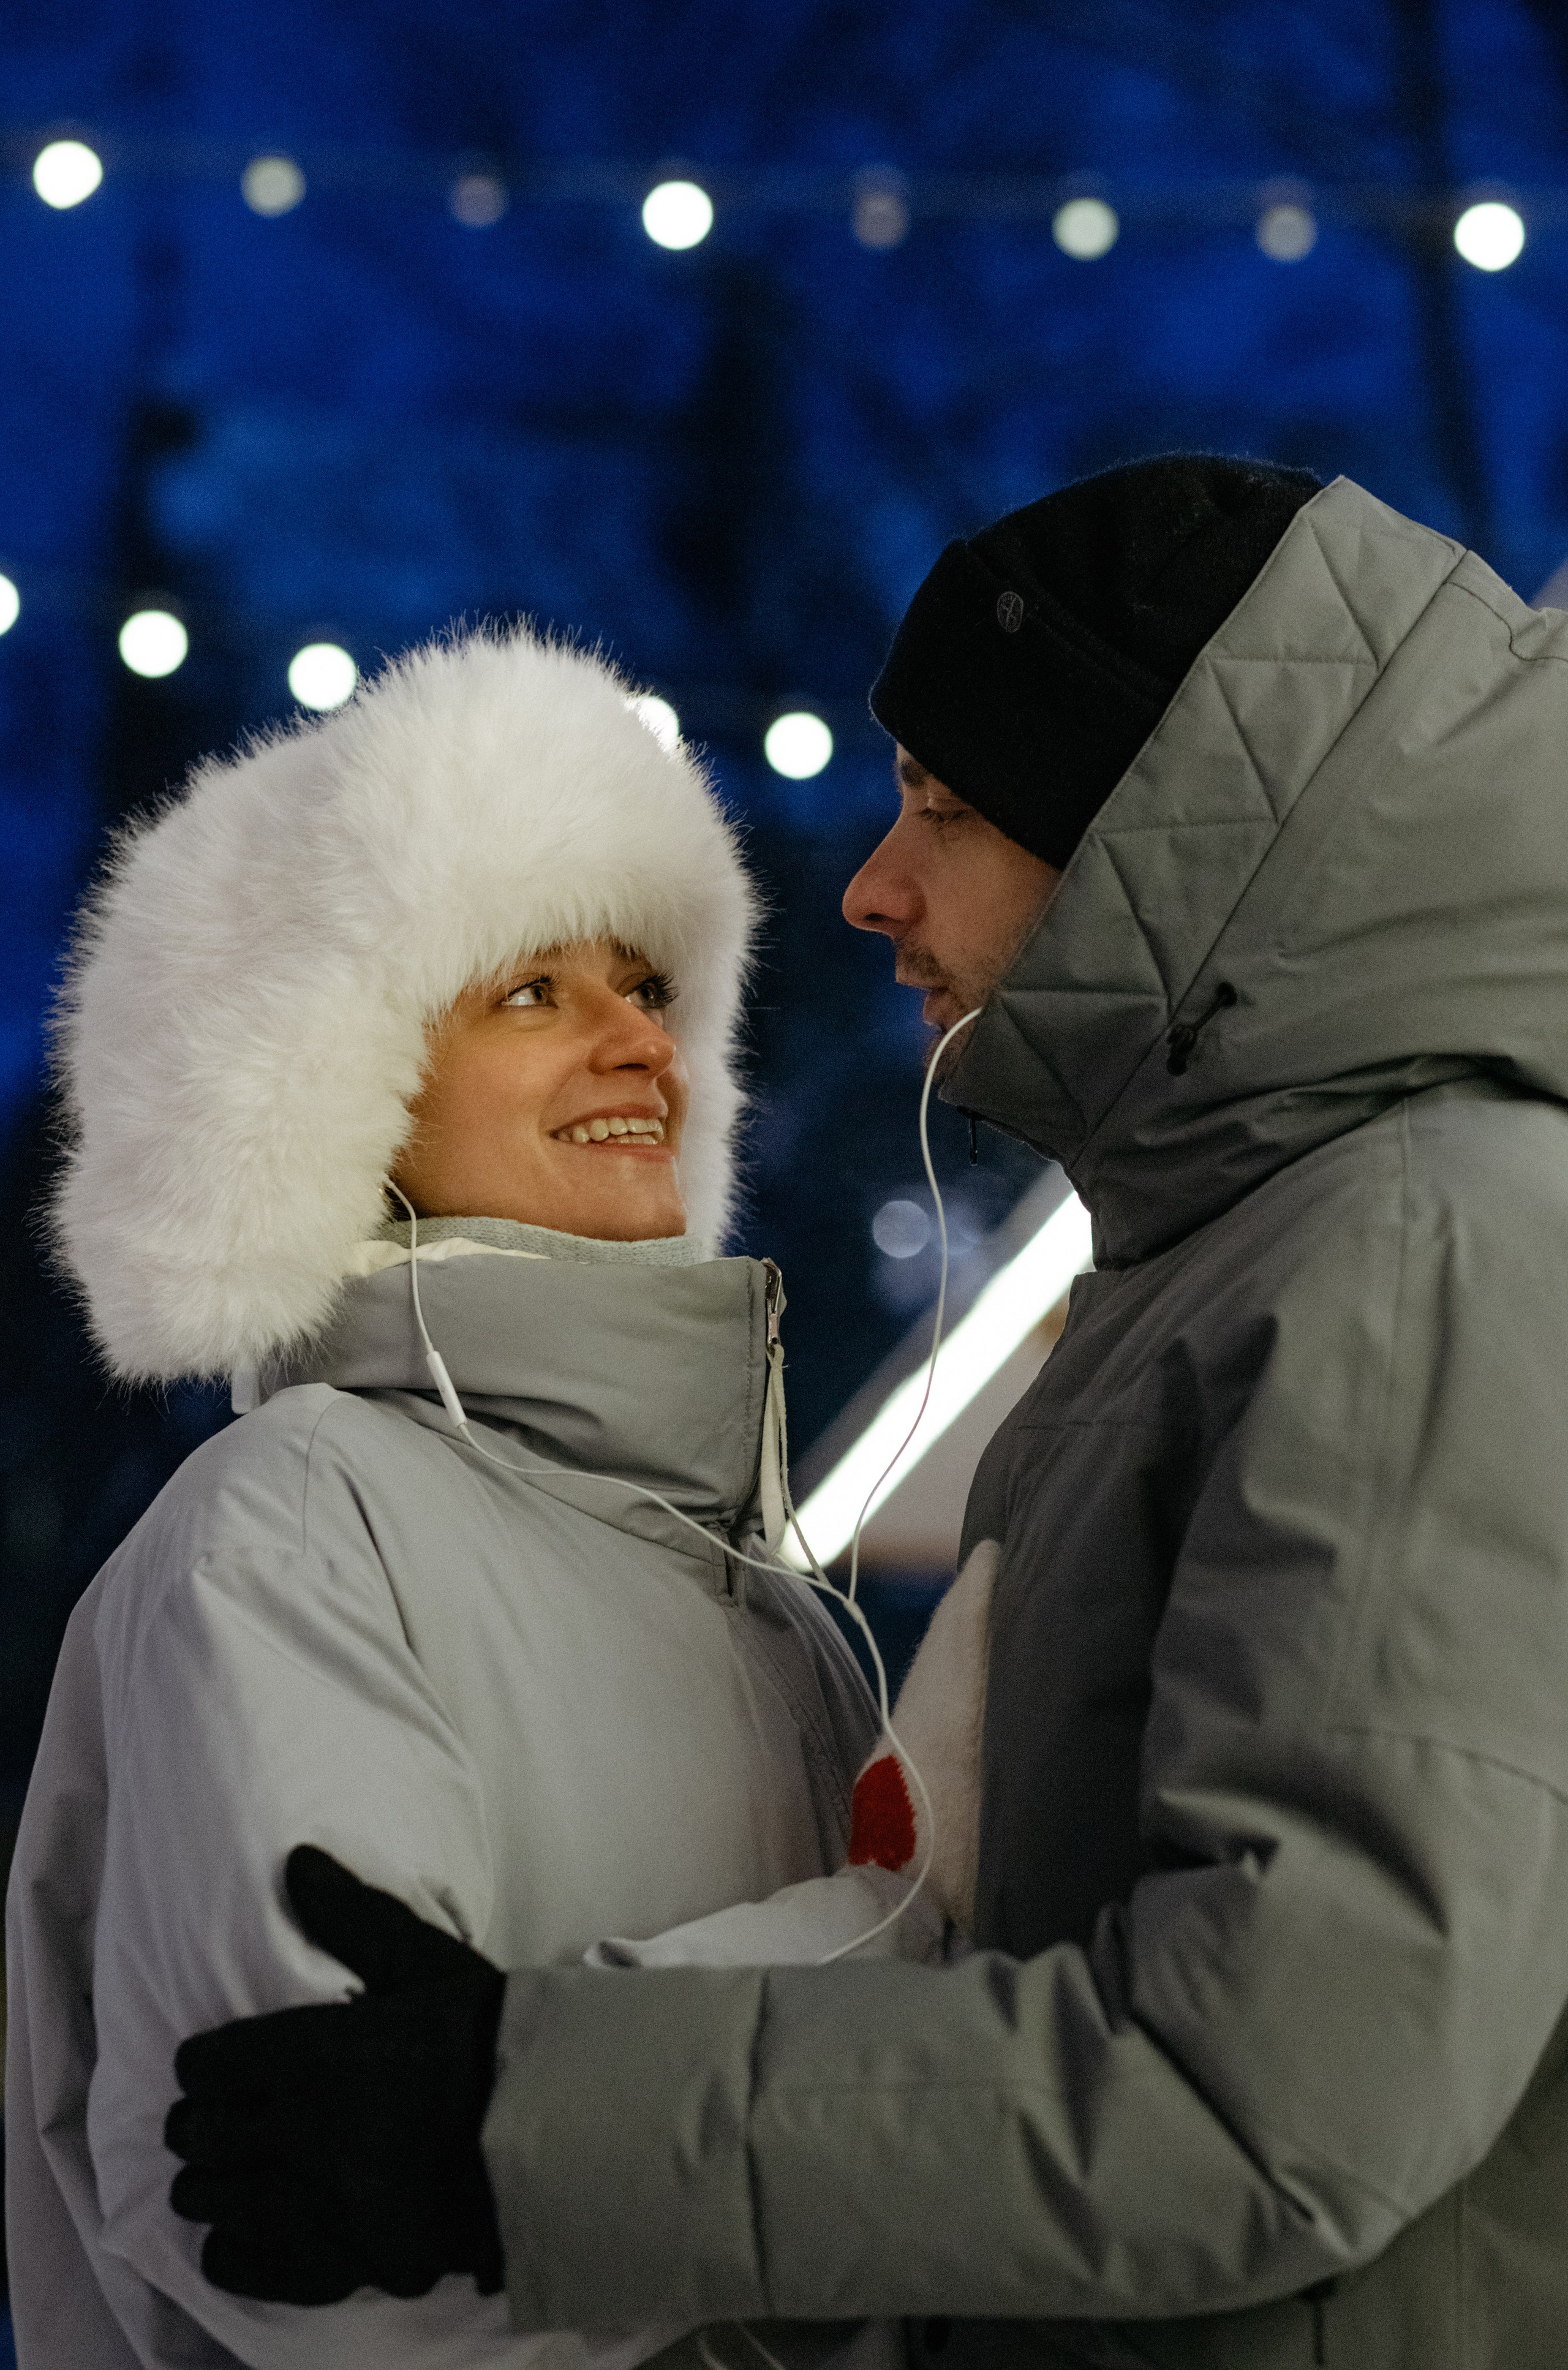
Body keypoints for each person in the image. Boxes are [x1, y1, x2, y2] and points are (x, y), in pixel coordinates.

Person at [160, 451, 1568, 2365]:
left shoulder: (1412, 1250)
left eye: (952, 809)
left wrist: (529, 2122)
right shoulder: (1253, 1254)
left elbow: (1280, 2086)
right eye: (526, 991)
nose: (867, 886)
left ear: (1176, 836)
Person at [1, 625, 896, 2369]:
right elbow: (318, 2237)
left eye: (646, 984)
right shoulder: (291, 1531)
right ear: (333, 1100)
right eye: (528, 991)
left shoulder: (759, 1593)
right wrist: (911, 1971)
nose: (639, 1041)